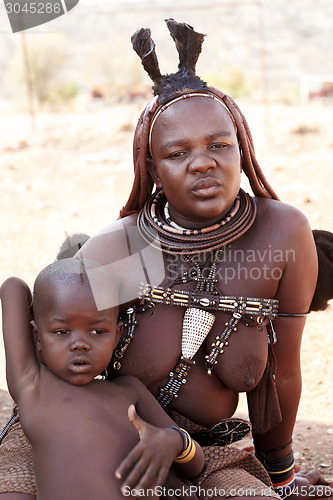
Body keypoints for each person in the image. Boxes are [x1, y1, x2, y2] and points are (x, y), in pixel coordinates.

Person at [1, 18, 333, 500]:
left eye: (220, 145)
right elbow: (57, 359)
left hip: (203, 452)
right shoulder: (122, 247)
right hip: (105, 437)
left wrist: (279, 476)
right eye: (178, 152)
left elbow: (285, 370)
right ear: (152, 168)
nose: (203, 162)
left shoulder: (280, 234)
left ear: (243, 150)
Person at [0, 258, 204, 500]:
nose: (80, 344)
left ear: (117, 335)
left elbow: (195, 465)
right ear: (36, 336)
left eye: (98, 331)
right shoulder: (33, 385)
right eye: (62, 331)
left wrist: (173, 440)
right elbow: (12, 287)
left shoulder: (129, 390)